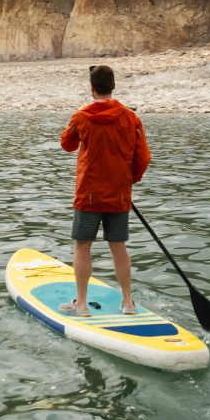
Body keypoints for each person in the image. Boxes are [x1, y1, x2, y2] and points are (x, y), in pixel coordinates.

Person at [59, 63, 151, 316]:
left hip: (88, 195)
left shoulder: (81, 117)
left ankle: (81, 305)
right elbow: (143, 158)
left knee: (82, 247)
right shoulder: (131, 118)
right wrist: (128, 182)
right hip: (119, 195)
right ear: (113, 87)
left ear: (92, 88)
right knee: (118, 246)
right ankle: (128, 303)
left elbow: (66, 144)